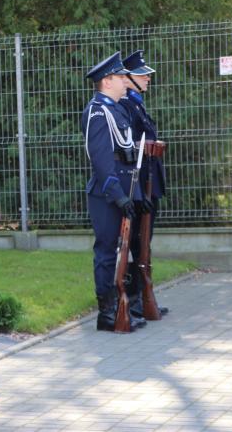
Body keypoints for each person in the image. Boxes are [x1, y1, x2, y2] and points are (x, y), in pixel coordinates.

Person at [81, 51, 147, 332]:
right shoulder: (97, 111)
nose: (125, 81)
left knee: (124, 253)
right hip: (107, 193)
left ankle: (125, 304)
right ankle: (107, 312)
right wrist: (117, 194)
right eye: (120, 76)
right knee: (108, 250)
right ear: (107, 81)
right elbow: (101, 158)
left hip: (125, 189)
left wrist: (133, 195)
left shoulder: (117, 109)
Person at [120, 50, 169, 318]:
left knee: (145, 242)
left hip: (150, 184)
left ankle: (144, 298)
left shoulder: (136, 103)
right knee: (138, 242)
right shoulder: (127, 106)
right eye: (142, 74)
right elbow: (132, 154)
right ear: (128, 78)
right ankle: (136, 301)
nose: (148, 78)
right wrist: (138, 192)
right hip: (140, 186)